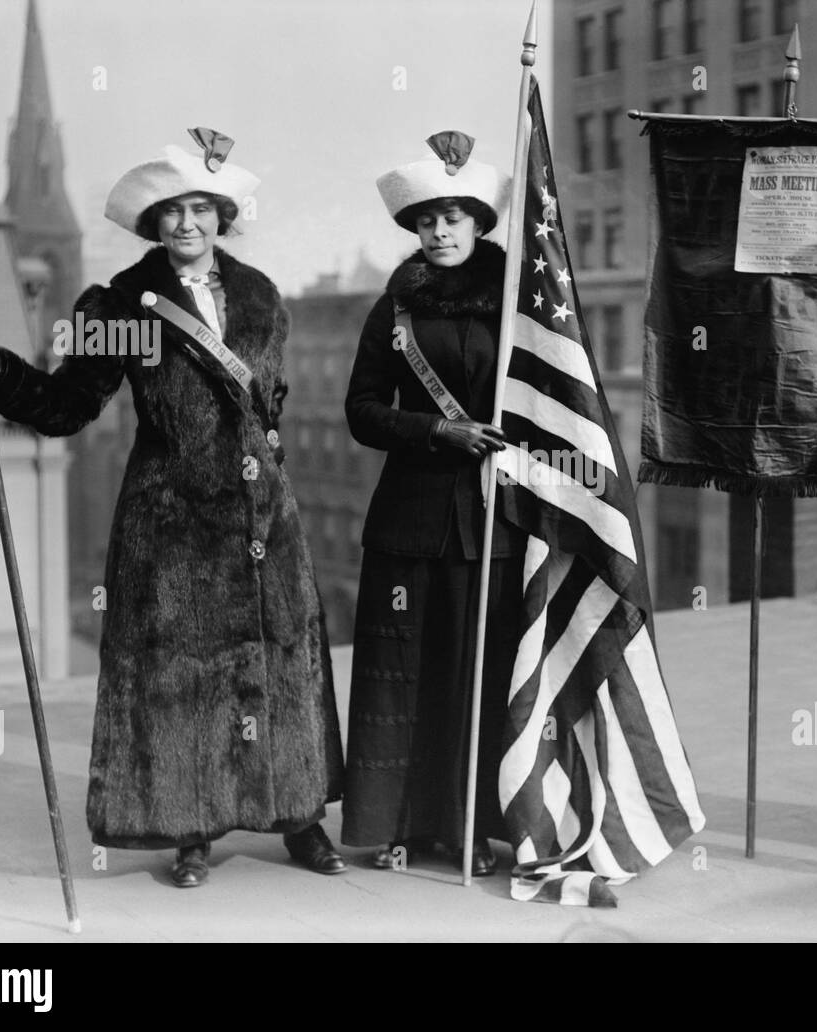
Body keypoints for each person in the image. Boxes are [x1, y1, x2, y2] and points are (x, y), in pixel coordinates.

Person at [0, 133, 345, 887]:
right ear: (152, 220)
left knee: (281, 668)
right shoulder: (119, 304)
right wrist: (1, 372)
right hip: (170, 522)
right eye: (171, 210)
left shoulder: (262, 295)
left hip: (264, 518)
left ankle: (301, 817)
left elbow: (271, 403)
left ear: (222, 214)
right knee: (179, 676)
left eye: (201, 208)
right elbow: (70, 405)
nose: (186, 223)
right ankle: (188, 828)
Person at [342, 131, 520, 876]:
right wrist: (435, 429)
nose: (439, 232)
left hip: (494, 519)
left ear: (479, 222)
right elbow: (360, 410)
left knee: (478, 672)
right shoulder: (395, 309)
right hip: (410, 520)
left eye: (453, 217)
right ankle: (398, 825)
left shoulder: (519, 304)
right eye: (426, 220)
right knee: (405, 671)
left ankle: (474, 826)